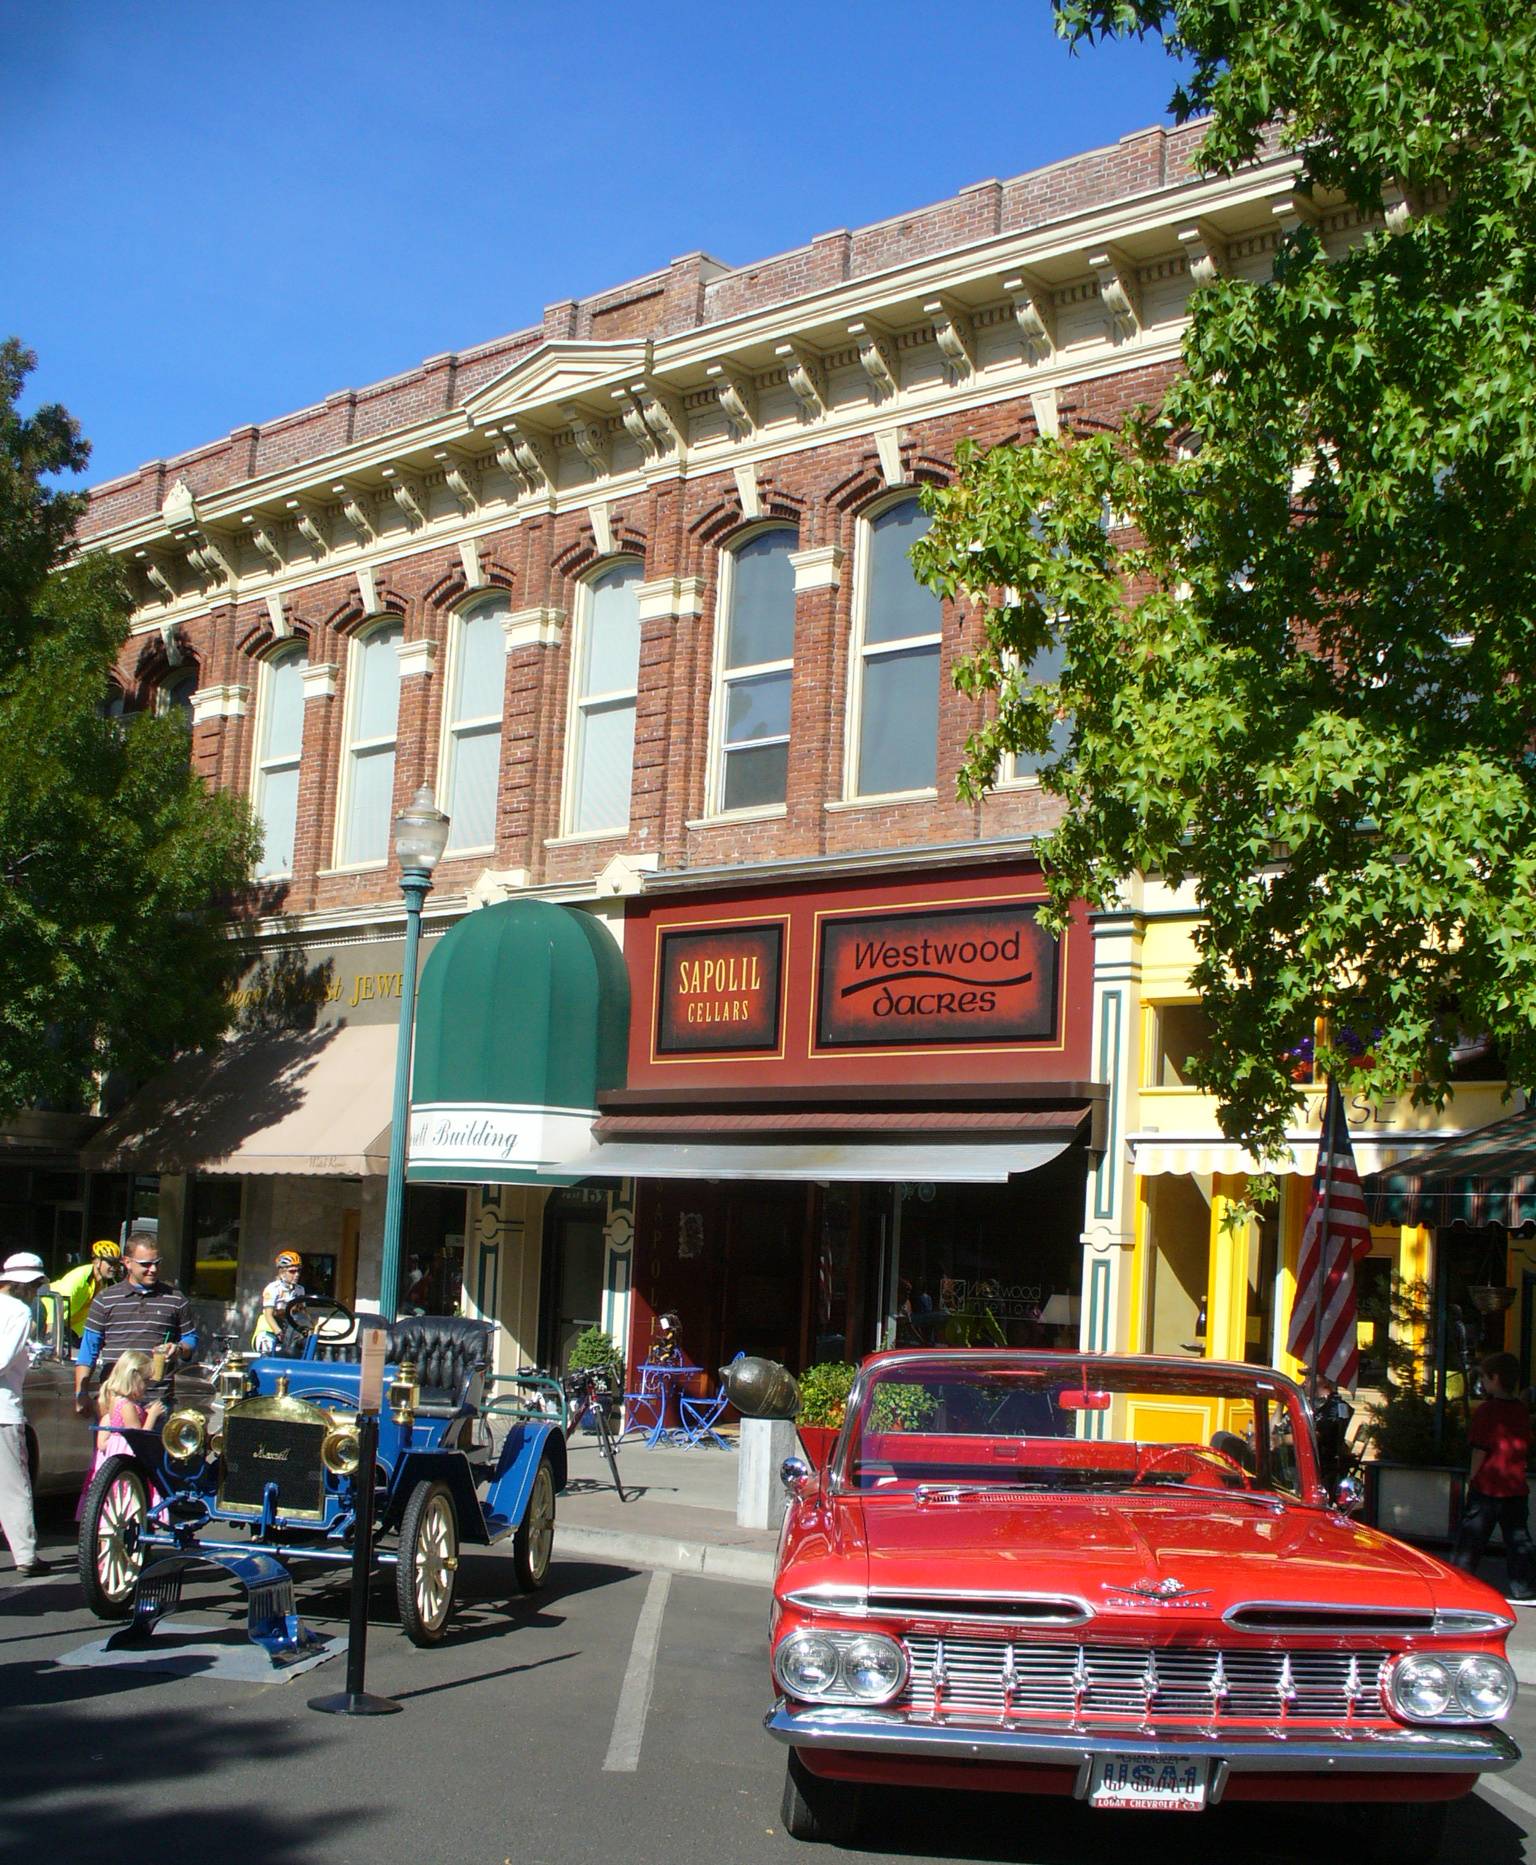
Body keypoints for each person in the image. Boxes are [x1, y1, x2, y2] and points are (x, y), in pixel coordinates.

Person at [74, 1231, 197, 1418]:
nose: (153, 1270)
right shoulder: (105, 1299)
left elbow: (191, 1339)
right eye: (146, 1265)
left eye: (157, 1263)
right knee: (113, 1447)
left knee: (152, 1447)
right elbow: (88, 1350)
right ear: (127, 1262)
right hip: (114, 1400)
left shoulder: (175, 1299)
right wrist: (81, 1394)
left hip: (157, 1403)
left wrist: (179, 1348)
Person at [1451, 1350, 1535, 1602]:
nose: (1483, 1384)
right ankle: (1524, 1587)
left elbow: (1479, 1450)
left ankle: (1459, 1582)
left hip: (1487, 1487)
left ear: (1495, 1378)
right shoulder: (1520, 1411)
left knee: (1471, 1541)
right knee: (1518, 1541)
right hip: (1515, 1488)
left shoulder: (1487, 1411)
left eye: (1485, 1379)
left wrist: (1472, 1479)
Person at [0, 1251, 49, 1577]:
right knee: (13, 1487)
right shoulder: (19, 1311)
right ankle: (26, 1555)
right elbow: (2, 1360)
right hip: (3, 1408)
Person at [78, 1350, 164, 1519]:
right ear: (134, 1378)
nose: (146, 1387)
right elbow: (138, 1436)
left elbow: (104, 1439)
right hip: (128, 1453)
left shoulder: (116, 1401)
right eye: (145, 1381)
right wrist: (152, 1416)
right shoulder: (126, 1405)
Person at [50, 1238, 123, 1339]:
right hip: (47, 1308)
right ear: (97, 1261)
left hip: (69, 1325)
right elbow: (58, 1308)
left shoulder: (107, 1284)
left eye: (117, 1263)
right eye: (111, 1263)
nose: (115, 1267)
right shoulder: (79, 1278)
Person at [252, 1250, 305, 1353]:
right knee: (269, 1353)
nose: (297, 1275)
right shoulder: (273, 1288)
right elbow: (268, 1315)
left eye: (298, 1271)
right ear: (282, 1272)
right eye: (292, 1271)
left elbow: (302, 1313)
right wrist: (278, 1331)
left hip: (288, 1331)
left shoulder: (300, 1290)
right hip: (269, 1330)